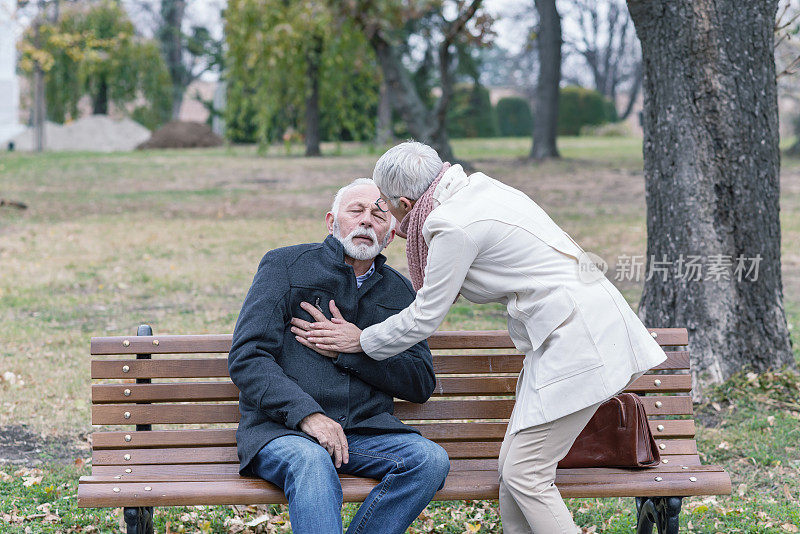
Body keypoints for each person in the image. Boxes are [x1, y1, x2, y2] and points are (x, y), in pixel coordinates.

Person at [292, 142, 668, 534]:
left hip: (579, 340)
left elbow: (423, 318)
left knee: (526, 476)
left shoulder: (451, 225)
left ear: (404, 203)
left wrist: (360, 340)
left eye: (388, 207)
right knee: (513, 471)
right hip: (569, 333)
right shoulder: (483, 189)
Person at [228, 178, 450, 534]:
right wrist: (308, 416)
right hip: (284, 432)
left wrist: (359, 346)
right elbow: (248, 357)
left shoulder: (400, 292)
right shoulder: (285, 266)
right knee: (311, 459)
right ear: (332, 223)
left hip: (363, 434)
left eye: (379, 215)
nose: (366, 221)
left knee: (429, 460)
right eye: (356, 211)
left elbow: (420, 382)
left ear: (390, 235)